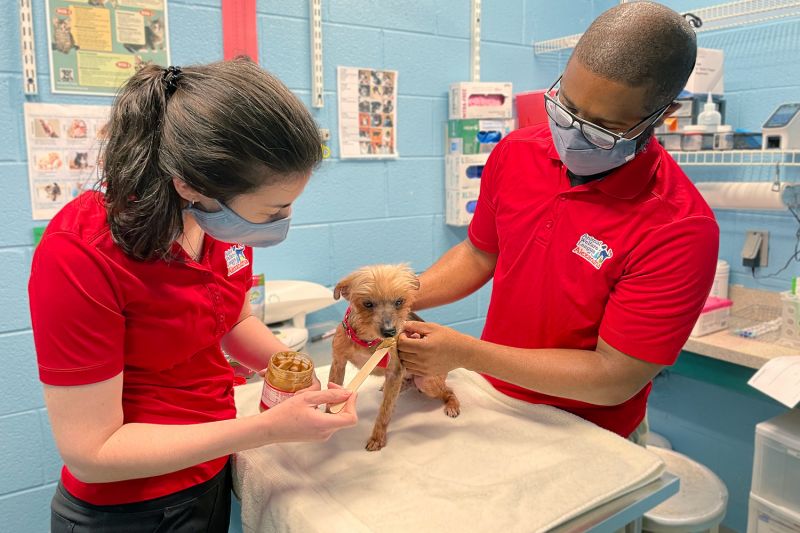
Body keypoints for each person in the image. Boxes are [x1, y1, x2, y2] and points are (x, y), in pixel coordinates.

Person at [28, 59, 358, 532]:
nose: (282, 222)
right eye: (273, 210)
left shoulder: (218, 224)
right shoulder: (79, 254)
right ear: (190, 185)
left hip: (210, 468)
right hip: (131, 505)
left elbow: (233, 320)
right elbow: (91, 454)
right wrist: (268, 429)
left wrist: (297, 374)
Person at [398, 2, 719, 443]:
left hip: (587, 434)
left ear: (660, 116)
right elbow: (478, 253)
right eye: (565, 107)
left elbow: (613, 377)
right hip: (490, 401)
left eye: (602, 128)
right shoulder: (516, 152)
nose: (572, 134)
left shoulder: (680, 228)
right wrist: (394, 300)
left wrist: (464, 353)